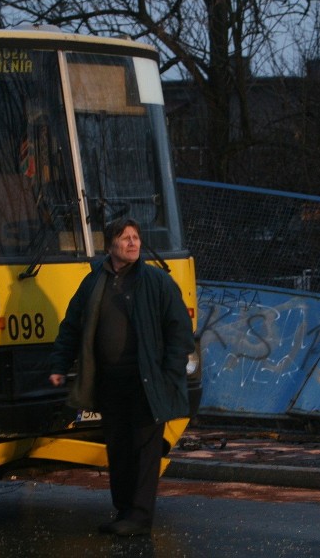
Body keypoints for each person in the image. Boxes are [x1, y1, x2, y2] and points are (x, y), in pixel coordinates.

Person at [49, 217, 194, 537]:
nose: (133, 243)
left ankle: (140, 517)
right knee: (118, 447)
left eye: (136, 237)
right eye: (125, 238)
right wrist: (59, 366)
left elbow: (181, 330)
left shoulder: (157, 281)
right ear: (110, 245)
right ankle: (124, 510)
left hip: (147, 380)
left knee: (145, 449)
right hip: (110, 382)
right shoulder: (94, 282)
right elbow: (72, 326)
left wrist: (170, 372)